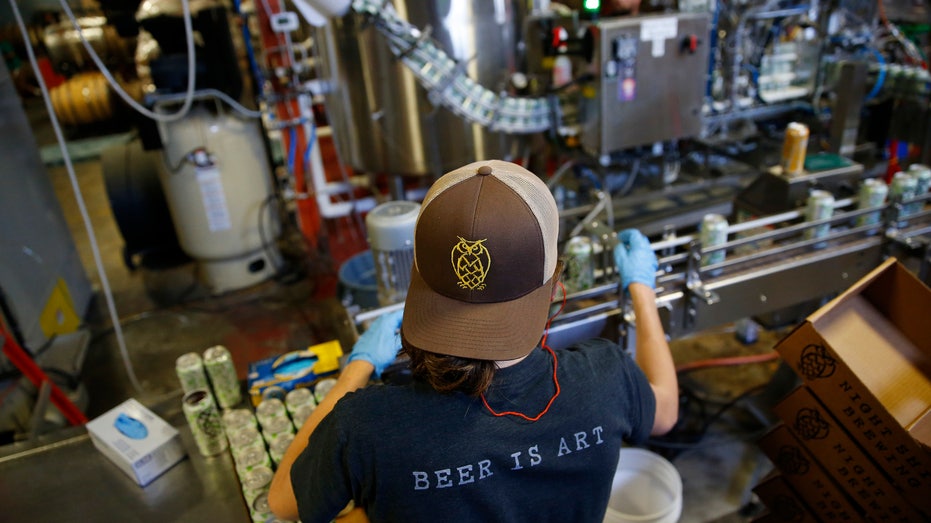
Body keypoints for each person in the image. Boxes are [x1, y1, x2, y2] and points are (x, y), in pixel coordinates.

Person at [268, 160, 678, 522]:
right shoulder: (605, 377)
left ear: (417, 280)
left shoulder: (364, 427)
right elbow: (665, 412)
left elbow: (284, 503)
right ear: (553, 287)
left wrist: (356, 369)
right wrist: (641, 289)